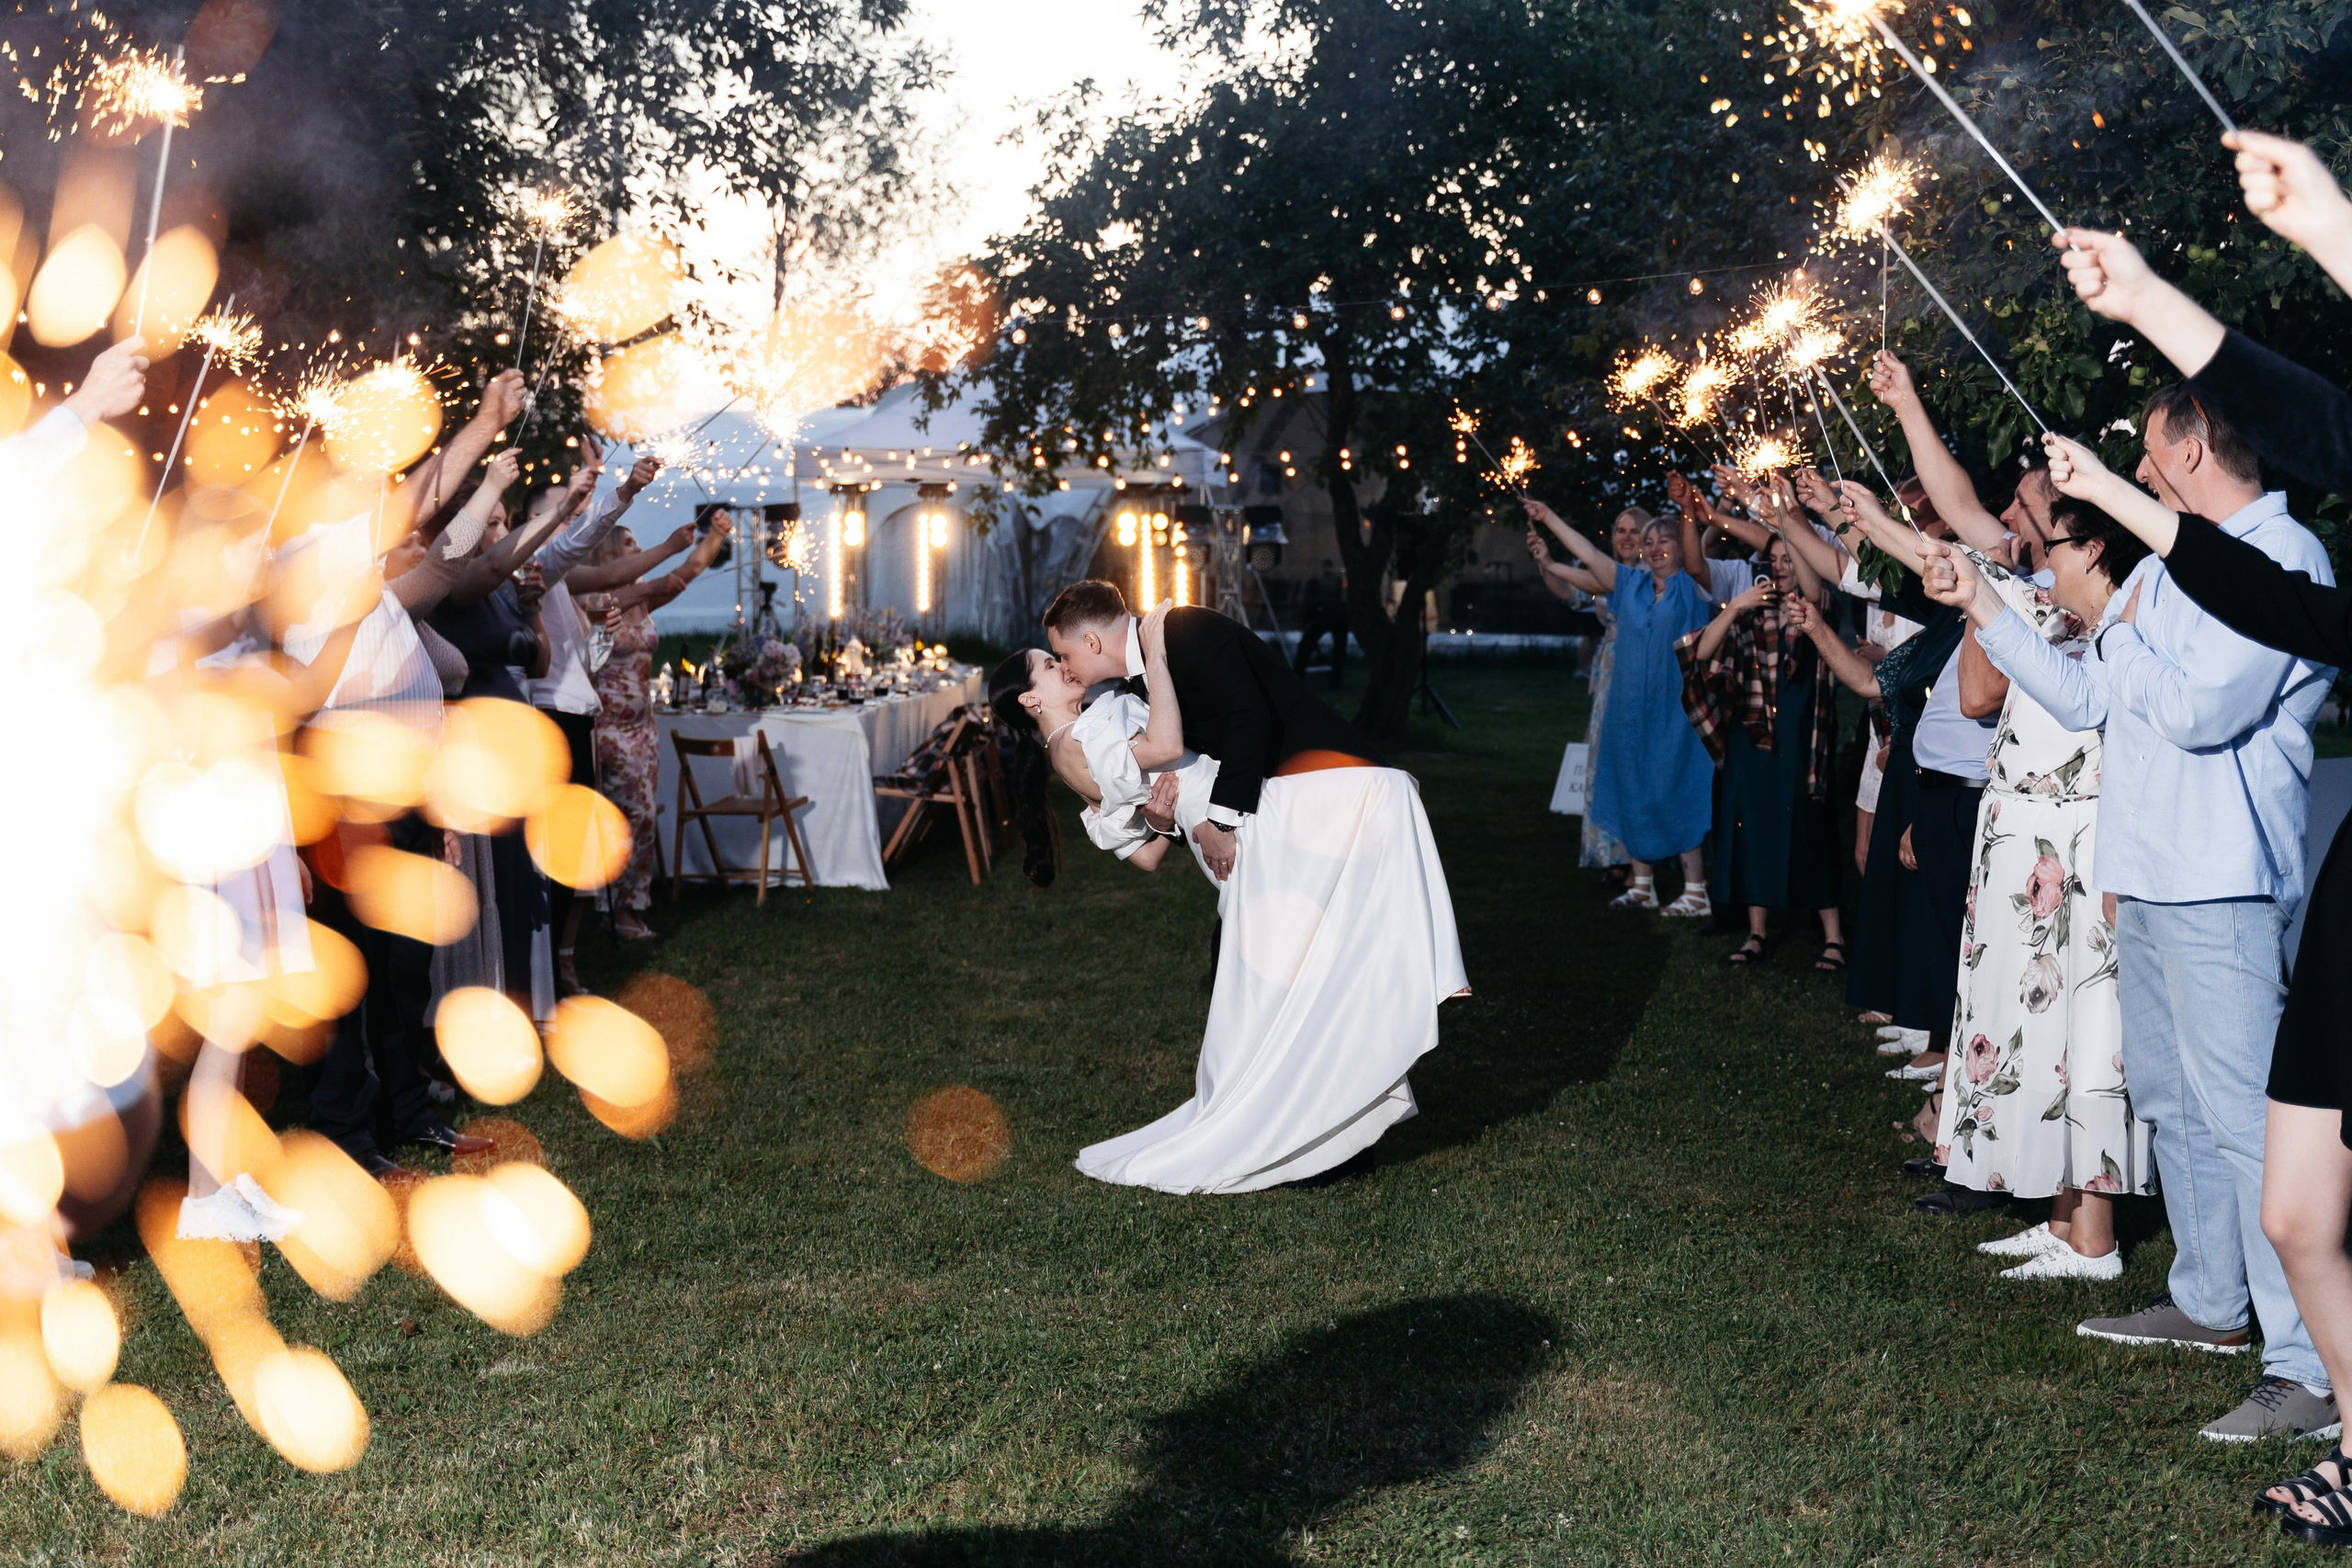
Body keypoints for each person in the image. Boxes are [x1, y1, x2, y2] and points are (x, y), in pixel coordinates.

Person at [1924, 378, 2337, 1445]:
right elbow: (2090, 695)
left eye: (2151, 456)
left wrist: (2113, 625)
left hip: (2223, 877)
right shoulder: (2166, 568)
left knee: (2247, 1121)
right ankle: (2207, 1300)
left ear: (2197, 446)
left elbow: (2205, 710)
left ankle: (2304, 1367)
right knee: (2168, 1096)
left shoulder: (2282, 562)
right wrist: (1986, 610)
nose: (2141, 475)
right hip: (2147, 871)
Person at [1025, 581, 1468, 1192]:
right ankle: (1309, 1135)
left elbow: (1245, 719)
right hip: (1270, 826)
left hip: (1309, 807)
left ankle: (1309, 1137)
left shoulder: (1179, 632)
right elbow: (1171, 779)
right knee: (1282, 981)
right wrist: (1178, 821)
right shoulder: (1128, 691)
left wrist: (1222, 822)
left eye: (1062, 655)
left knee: (1294, 980)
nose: (1065, 666)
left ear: (1093, 640)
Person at [1915, 502, 2155, 1279]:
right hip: (2033, 847)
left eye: (2054, 545)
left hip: (2078, 853)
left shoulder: (2113, 629)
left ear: (2092, 548)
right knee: (2045, 1034)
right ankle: (2062, 1220)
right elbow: (1943, 536)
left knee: (2085, 1032)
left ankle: (2095, 1236)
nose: (2041, 560)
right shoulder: (2062, 615)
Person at [1520, 506, 1713, 916]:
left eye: (1664, 540)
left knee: (1678, 787)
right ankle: (1643, 885)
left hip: (1673, 711)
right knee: (1632, 784)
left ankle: (1696, 891)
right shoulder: (1631, 586)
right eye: (1649, 542)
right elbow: (1589, 555)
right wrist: (1551, 520)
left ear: (1681, 548)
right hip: (1628, 708)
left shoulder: (1693, 587)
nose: (1655, 548)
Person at [1676, 536, 1844, 968]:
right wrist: (1734, 606)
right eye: (1773, 560)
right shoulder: (1751, 617)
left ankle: (1833, 938)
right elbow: (1700, 653)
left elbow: (1815, 595)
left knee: (1810, 829)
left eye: (1789, 558)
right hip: (1751, 740)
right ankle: (1757, 933)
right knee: (1751, 830)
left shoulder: (1813, 609)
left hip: (1801, 737)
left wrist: (1788, 524)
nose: (1781, 566)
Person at [581, 517, 733, 940]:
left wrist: (716, 535)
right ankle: (619, 909)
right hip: (608, 727)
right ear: (608, 555)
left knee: (641, 816)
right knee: (636, 813)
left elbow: (689, 571)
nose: (637, 549)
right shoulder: (593, 600)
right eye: (628, 543)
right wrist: (652, 582)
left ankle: (623, 905)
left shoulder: (642, 603)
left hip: (643, 726)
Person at [1527, 503, 1647, 879]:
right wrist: (1544, 561)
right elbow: (1568, 593)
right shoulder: (1602, 571)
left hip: (1638, 676)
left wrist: (1554, 558)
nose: (1625, 538)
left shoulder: (1644, 575)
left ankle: (1639, 860)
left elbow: (1598, 583)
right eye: (1619, 530)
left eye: (1633, 531)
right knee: (1603, 765)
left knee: (1633, 766)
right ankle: (1611, 855)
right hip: (1609, 676)